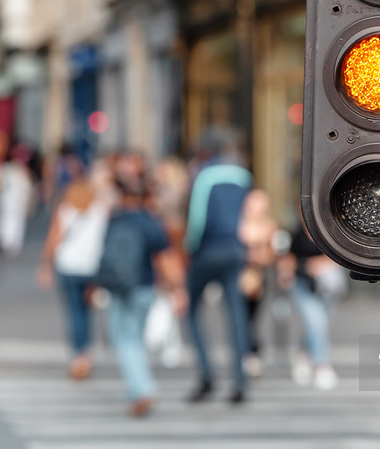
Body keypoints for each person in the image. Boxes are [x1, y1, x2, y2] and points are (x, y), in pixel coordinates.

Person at [99, 163, 186, 418]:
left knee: (123, 339)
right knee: (134, 338)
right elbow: (165, 260)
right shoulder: (151, 224)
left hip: (118, 286)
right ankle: (139, 387)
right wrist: (177, 289)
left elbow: (105, 255)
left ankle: (141, 388)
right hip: (144, 287)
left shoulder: (115, 220)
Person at [185, 151, 253, 404]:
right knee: (236, 314)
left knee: (192, 311)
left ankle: (206, 373)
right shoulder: (243, 177)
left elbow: (198, 217)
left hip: (207, 251)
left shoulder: (205, 176)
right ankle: (239, 380)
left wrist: (190, 246)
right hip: (235, 251)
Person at [38, 171, 110, 380]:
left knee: (74, 311)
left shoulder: (66, 210)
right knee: (86, 311)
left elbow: (54, 239)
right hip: (91, 267)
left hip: (68, 265)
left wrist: (46, 265)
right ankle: (86, 353)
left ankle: (79, 354)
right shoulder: (101, 210)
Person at [277, 223, 343, 390]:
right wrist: (288, 271)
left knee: (320, 324)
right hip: (302, 285)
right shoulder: (296, 234)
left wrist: (319, 264)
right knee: (316, 322)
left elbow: (342, 257)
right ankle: (321, 365)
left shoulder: (333, 230)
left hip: (328, 286)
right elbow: (287, 258)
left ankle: (302, 354)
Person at [237, 189, 278, 378]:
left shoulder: (269, 226)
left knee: (253, 319)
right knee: (239, 318)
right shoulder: (238, 223)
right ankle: (244, 354)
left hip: (258, 279)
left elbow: (273, 254)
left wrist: (259, 256)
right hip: (238, 277)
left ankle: (251, 353)